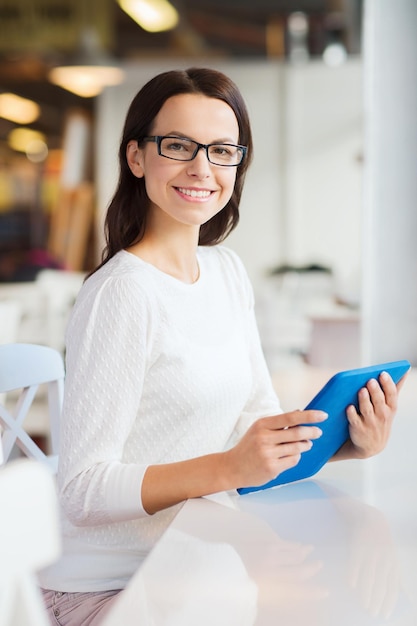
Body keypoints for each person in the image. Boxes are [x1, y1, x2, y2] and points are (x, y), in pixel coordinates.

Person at [39, 67, 404, 625]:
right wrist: (229, 467)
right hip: (113, 588)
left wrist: (345, 443)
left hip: (196, 560)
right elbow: (83, 491)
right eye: (178, 146)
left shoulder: (226, 272)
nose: (202, 168)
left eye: (221, 150)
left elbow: (254, 423)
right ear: (137, 157)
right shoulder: (120, 294)